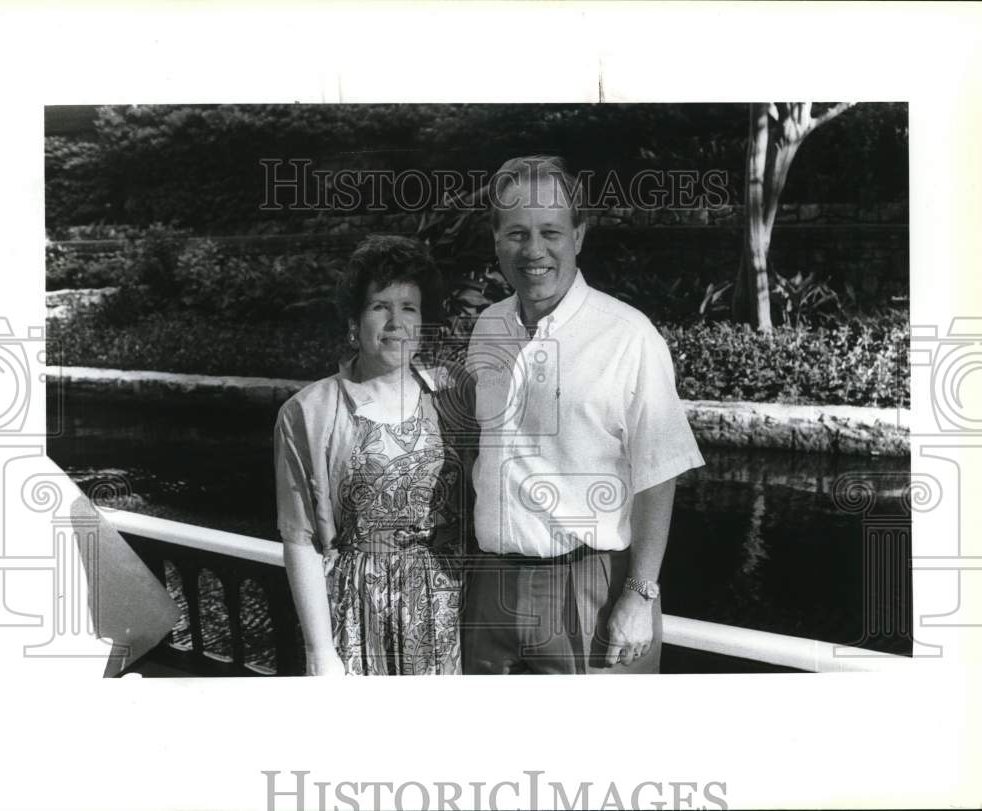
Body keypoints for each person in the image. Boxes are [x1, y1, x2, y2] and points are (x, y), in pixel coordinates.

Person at [463, 156, 705, 674]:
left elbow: (659, 476)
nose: (534, 251)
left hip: (590, 591)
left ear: (579, 234)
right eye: (517, 234)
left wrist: (640, 595)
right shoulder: (487, 328)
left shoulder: (628, 336)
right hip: (489, 587)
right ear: (495, 238)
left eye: (551, 231)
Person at [275, 235, 469, 675]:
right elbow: (298, 539)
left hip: (449, 609)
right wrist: (319, 652)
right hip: (358, 612)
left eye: (410, 308)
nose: (396, 322)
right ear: (354, 322)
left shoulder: (456, 393)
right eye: (380, 306)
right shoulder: (307, 412)